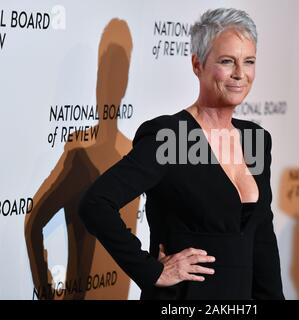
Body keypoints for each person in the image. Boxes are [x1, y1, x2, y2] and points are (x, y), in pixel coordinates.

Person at [79, 8, 285, 300]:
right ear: (197, 64)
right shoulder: (171, 136)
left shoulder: (256, 139)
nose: (240, 74)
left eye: (248, 61)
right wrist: (151, 271)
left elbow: (261, 238)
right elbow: (96, 203)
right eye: (227, 61)